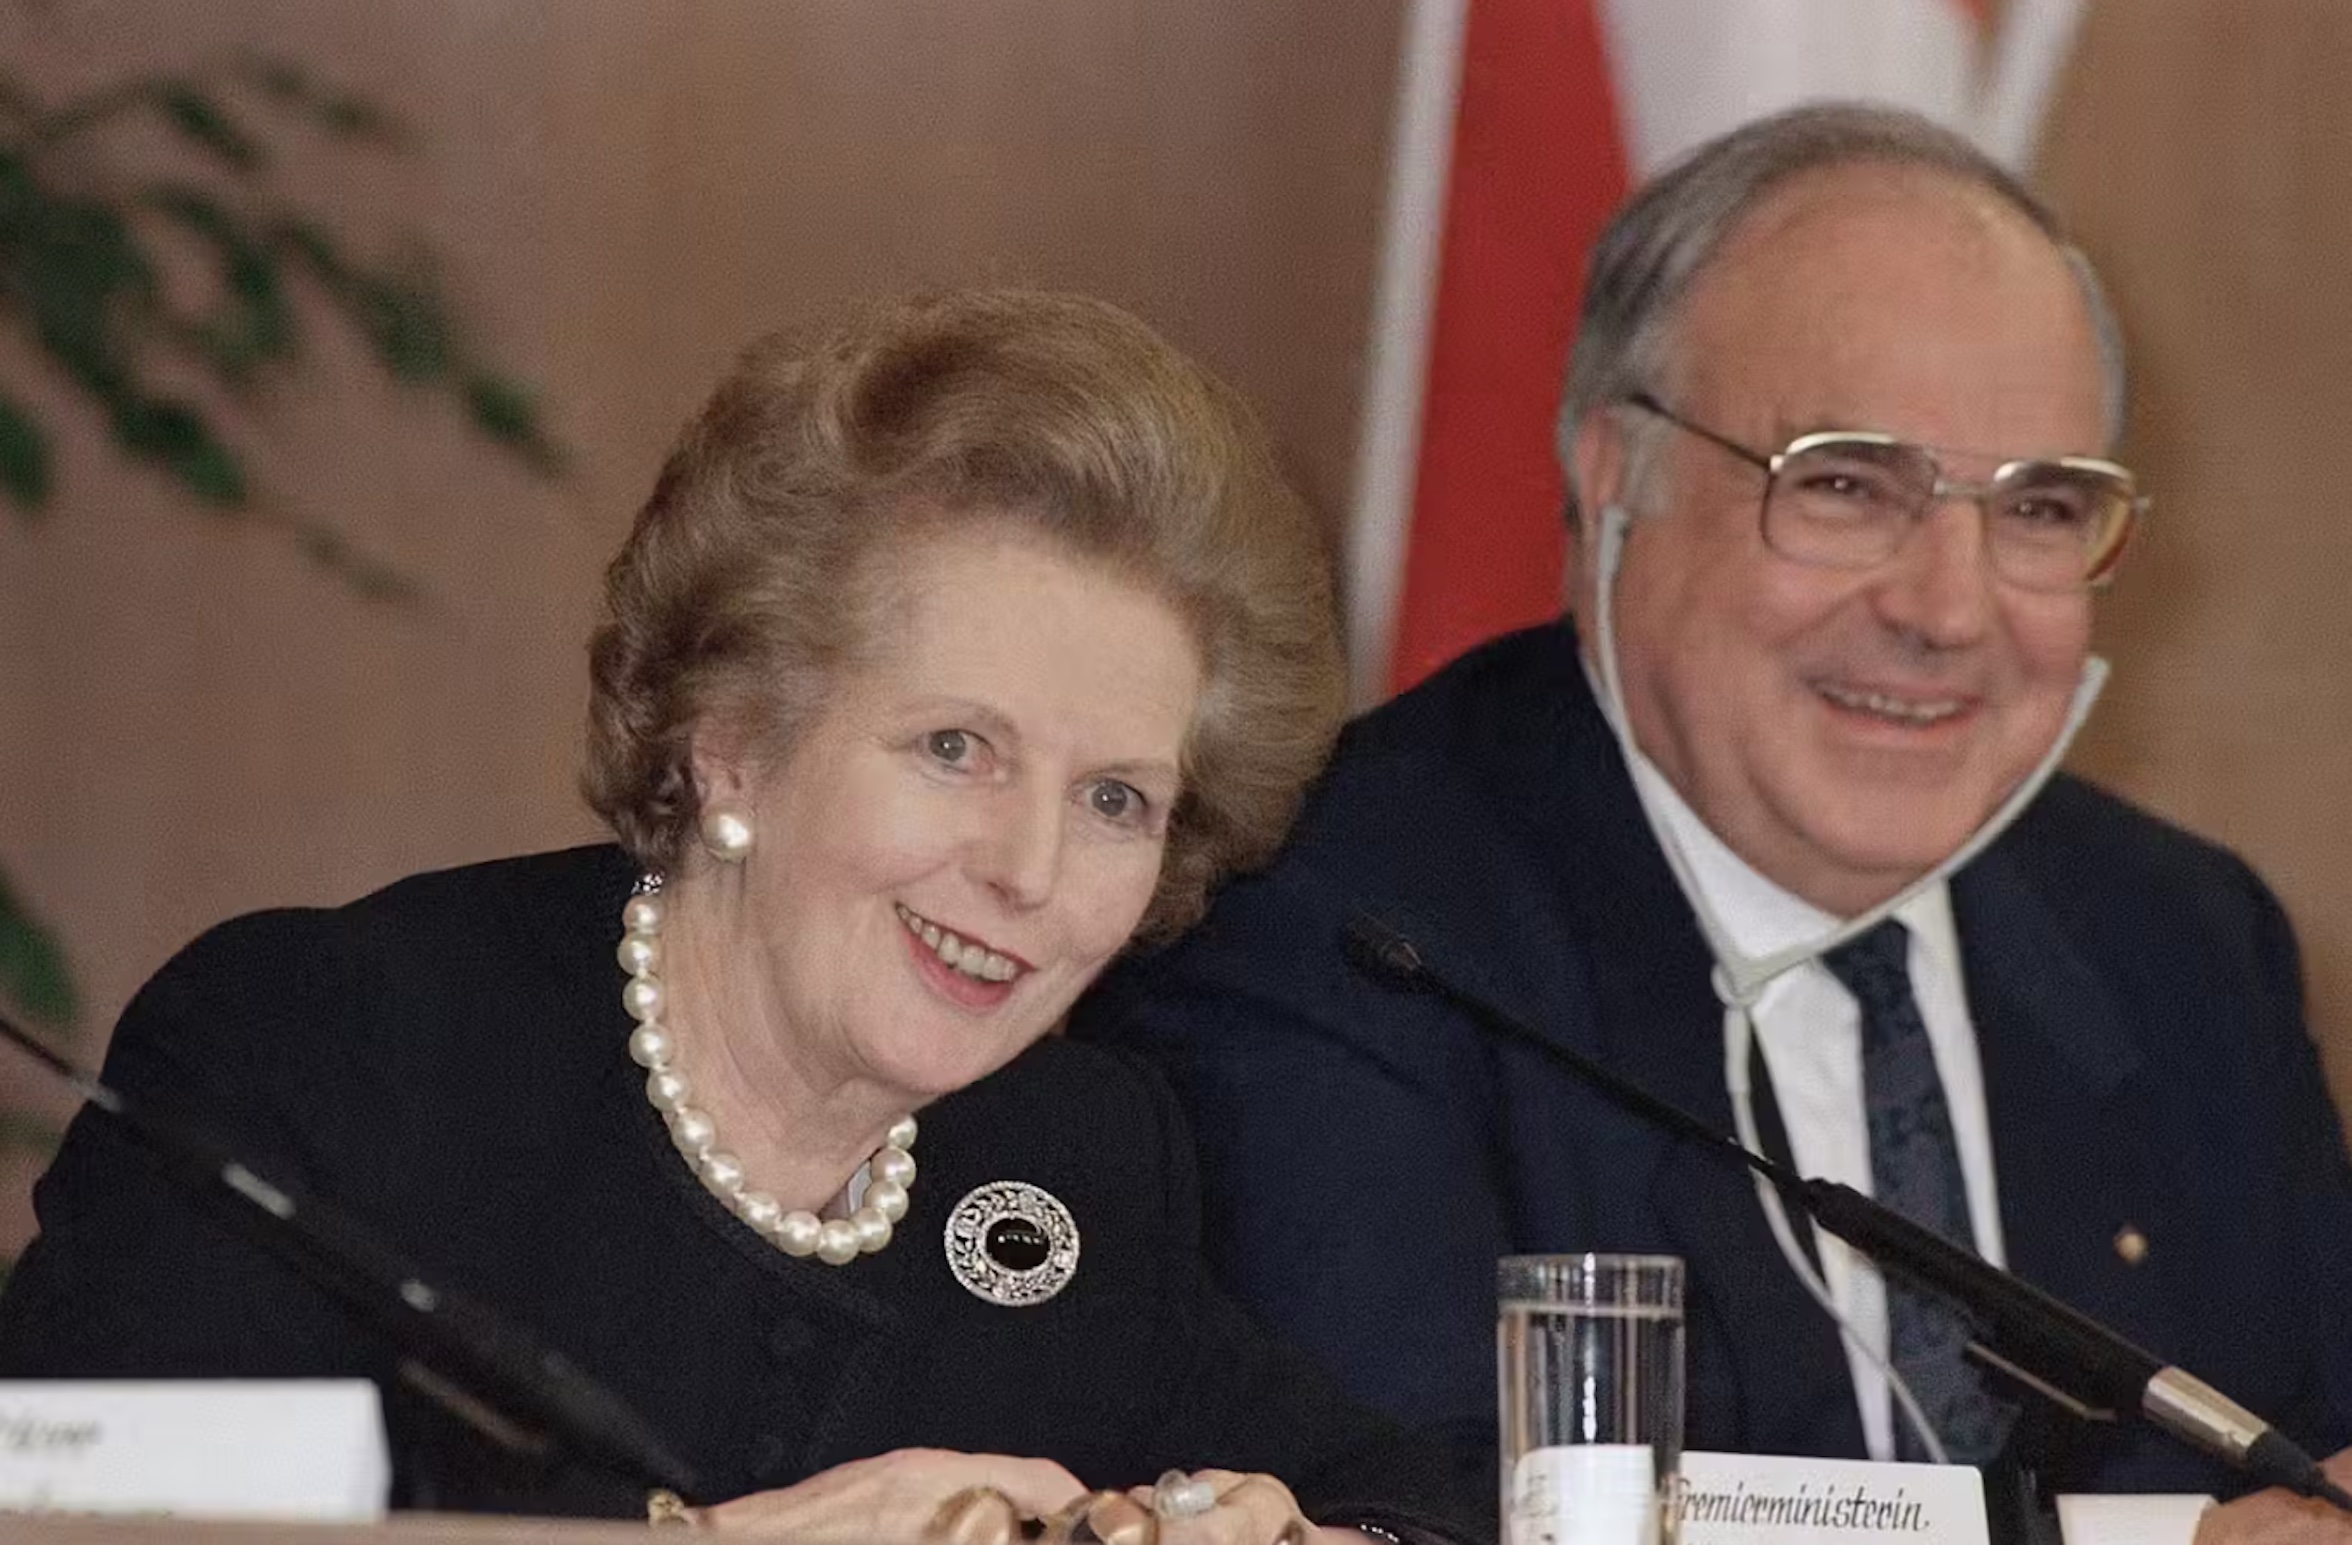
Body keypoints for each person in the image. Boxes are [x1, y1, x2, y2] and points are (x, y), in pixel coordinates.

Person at [0, 290, 1487, 1544]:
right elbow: (98, 1526)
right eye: (954, 748)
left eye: (1115, 799)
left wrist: (1294, 1534)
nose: (1030, 868)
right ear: (734, 738)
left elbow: (1423, 1494)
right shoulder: (337, 1051)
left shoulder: (1070, 1162)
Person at [1079, 103, 2352, 1531]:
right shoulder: (1327, 921)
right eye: (1848, 483)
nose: (1946, 607)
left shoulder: (2183, 940)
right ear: (1616, 471)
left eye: (2041, 509)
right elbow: (1416, 1514)